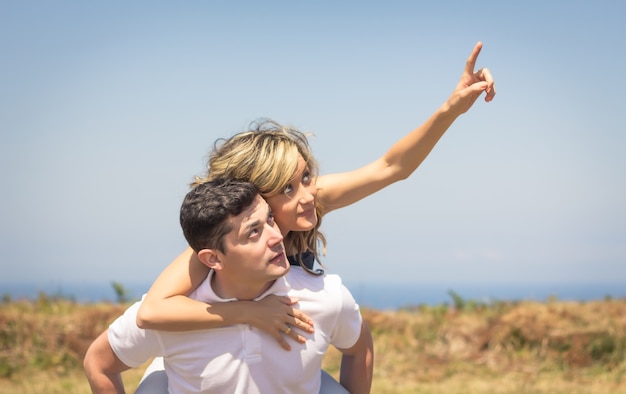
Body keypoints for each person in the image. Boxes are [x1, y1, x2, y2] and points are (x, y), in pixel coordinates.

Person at [136, 41, 496, 343]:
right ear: (255, 197)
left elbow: (391, 167)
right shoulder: (222, 241)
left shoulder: (310, 200)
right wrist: (248, 313)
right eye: (288, 188)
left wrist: (451, 109)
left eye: (306, 177)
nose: (308, 194)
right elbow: (152, 310)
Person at [83, 178, 373, 394]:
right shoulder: (169, 316)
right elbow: (98, 363)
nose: (276, 237)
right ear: (213, 259)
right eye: (254, 232)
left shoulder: (324, 296)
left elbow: (360, 349)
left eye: (270, 220)